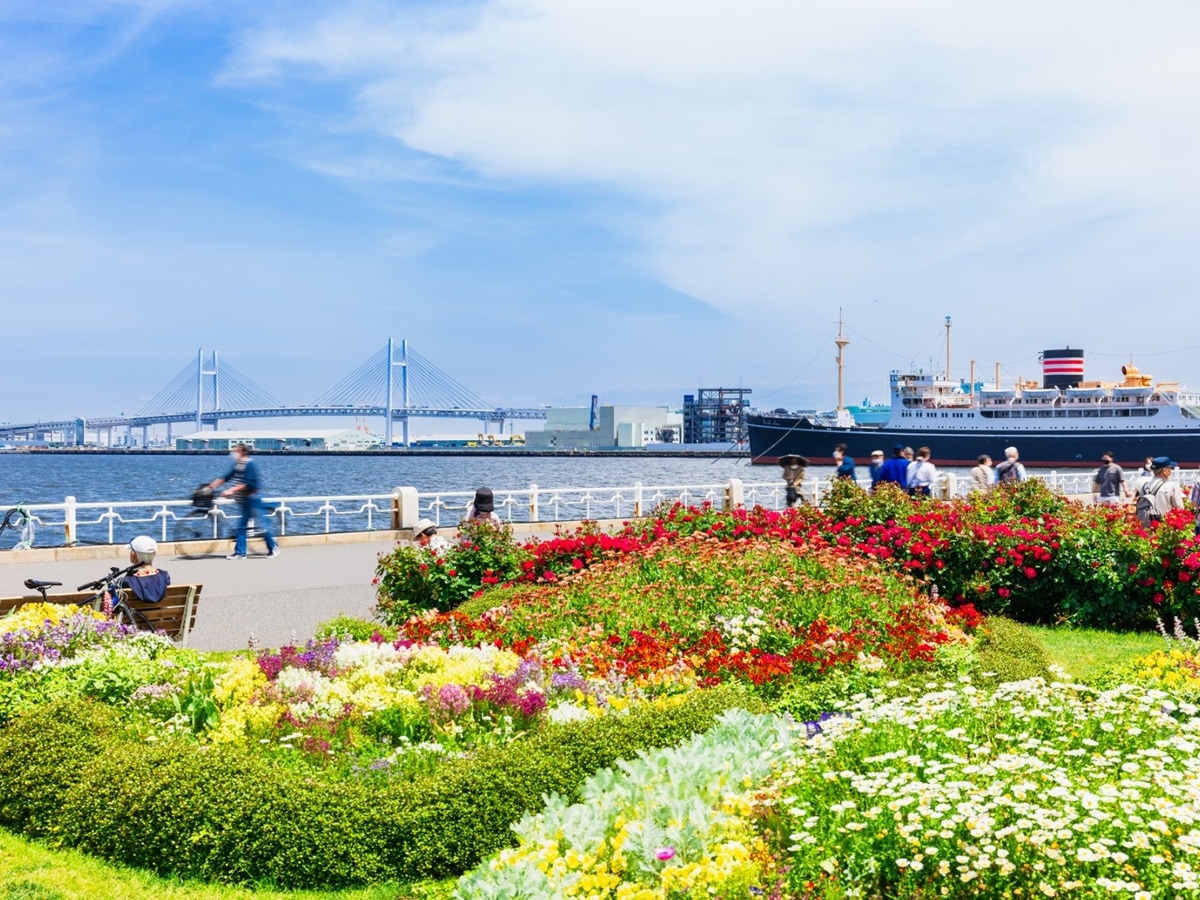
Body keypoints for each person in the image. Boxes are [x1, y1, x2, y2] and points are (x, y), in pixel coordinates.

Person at [210, 443, 279, 559]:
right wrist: (211, 486)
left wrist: (232, 490)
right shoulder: (238, 465)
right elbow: (226, 477)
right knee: (242, 527)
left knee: (261, 525)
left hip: (253, 498)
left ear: (243, 452)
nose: (233, 453)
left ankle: (273, 547)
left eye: (235, 451)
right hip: (245, 499)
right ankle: (240, 552)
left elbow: (250, 483)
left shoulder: (250, 464)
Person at [121, 535, 171, 603]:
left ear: (134, 555)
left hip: (136, 613)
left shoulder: (128, 581)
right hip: (162, 613)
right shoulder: (164, 577)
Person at [1136, 456, 1185, 525]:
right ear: (1164, 471)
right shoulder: (1172, 486)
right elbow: (1180, 510)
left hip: (1147, 528)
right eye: (1170, 468)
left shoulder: (1144, 486)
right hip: (1165, 529)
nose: (1170, 471)